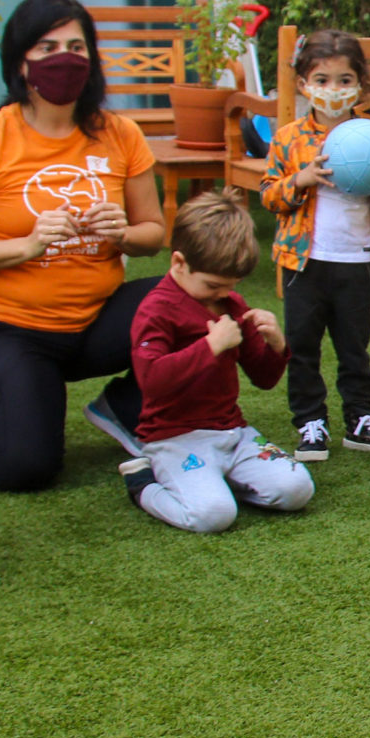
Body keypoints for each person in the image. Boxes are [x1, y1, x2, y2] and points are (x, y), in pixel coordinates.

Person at [0, 0, 168, 492]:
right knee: (22, 472)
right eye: (46, 47)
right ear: (21, 63)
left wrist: (122, 234)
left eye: (75, 46)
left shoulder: (120, 134)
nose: (63, 59)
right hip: (13, 329)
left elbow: (153, 235)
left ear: (91, 59)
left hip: (97, 320)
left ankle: (122, 407)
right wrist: (25, 246)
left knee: (199, 301)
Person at [116, 189, 314, 533]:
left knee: (297, 490)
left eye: (231, 285)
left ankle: (218, 483)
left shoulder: (231, 303)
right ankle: (143, 485)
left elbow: (264, 378)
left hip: (233, 433)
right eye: (213, 285)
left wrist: (277, 344)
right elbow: (152, 380)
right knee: (214, 517)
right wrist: (210, 347)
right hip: (173, 438)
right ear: (179, 263)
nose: (223, 294)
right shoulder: (156, 309)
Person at [260, 28, 370, 460]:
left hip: (359, 259)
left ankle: (360, 419)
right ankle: (310, 423)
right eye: (321, 80)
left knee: (354, 346)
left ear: (360, 84)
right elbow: (269, 195)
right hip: (303, 261)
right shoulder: (288, 138)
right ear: (304, 84)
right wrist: (301, 180)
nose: (332, 90)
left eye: (344, 80)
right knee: (302, 345)